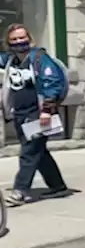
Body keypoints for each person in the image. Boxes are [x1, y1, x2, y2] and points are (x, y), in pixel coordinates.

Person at [1, 23, 69, 206]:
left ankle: (20, 191)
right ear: (8, 42)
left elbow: (51, 83)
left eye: (22, 38)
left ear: (29, 39)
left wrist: (47, 110)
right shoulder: (10, 60)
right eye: (14, 39)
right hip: (19, 114)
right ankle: (58, 186)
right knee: (38, 152)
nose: (19, 42)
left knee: (29, 153)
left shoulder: (40, 59)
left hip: (37, 113)